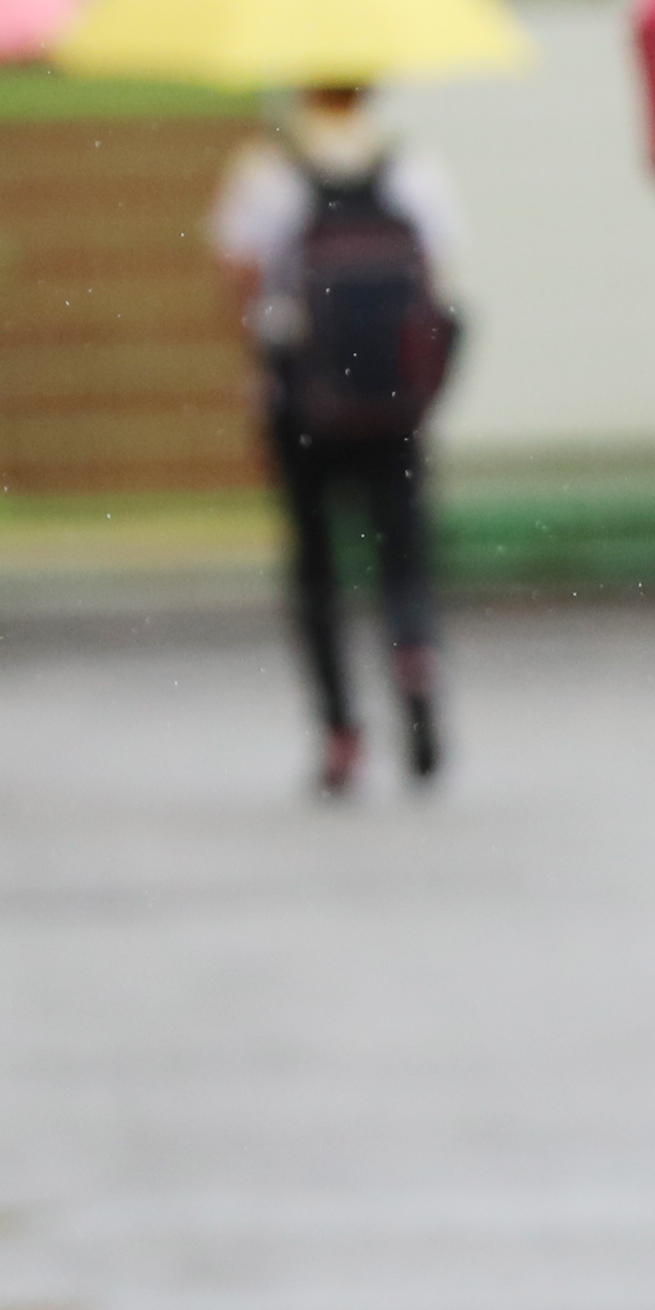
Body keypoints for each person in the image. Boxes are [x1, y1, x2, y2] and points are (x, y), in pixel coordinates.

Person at [209, 84, 463, 798]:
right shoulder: (414, 167)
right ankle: (414, 655)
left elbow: (239, 279)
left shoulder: (266, 168)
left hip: (302, 398)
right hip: (394, 403)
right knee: (403, 556)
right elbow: (438, 280)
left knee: (316, 566)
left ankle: (340, 731)